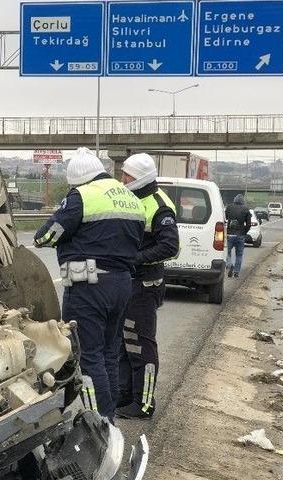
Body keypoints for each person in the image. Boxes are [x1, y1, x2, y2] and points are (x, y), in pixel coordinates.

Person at [34, 147, 145, 421]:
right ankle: (110, 418)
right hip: (122, 284)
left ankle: (98, 421)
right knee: (109, 354)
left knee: (89, 357)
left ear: (78, 179)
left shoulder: (81, 196)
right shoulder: (131, 197)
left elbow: (45, 236)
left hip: (89, 288)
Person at [115, 153, 179, 419]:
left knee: (142, 344)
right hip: (129, 283)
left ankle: (144, 403)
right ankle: (126, 395)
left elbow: (170, 246)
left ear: (139, 178)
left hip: (145, 283)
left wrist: (135, 259)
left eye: (126, 176)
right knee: (124, 342)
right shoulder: (132, 199)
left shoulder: (159, 205)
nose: (122, 179)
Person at [225, 194, 252, 278]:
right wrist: (244, 231)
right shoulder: (246, 209)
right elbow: (248, 224)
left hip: (229, 234)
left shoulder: (229, 207)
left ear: (234, 200)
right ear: (242, 201)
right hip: (240, 235)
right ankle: (236, 272)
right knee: (239, 255)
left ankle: (229, 265)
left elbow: (225, 217)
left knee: (227, 252)